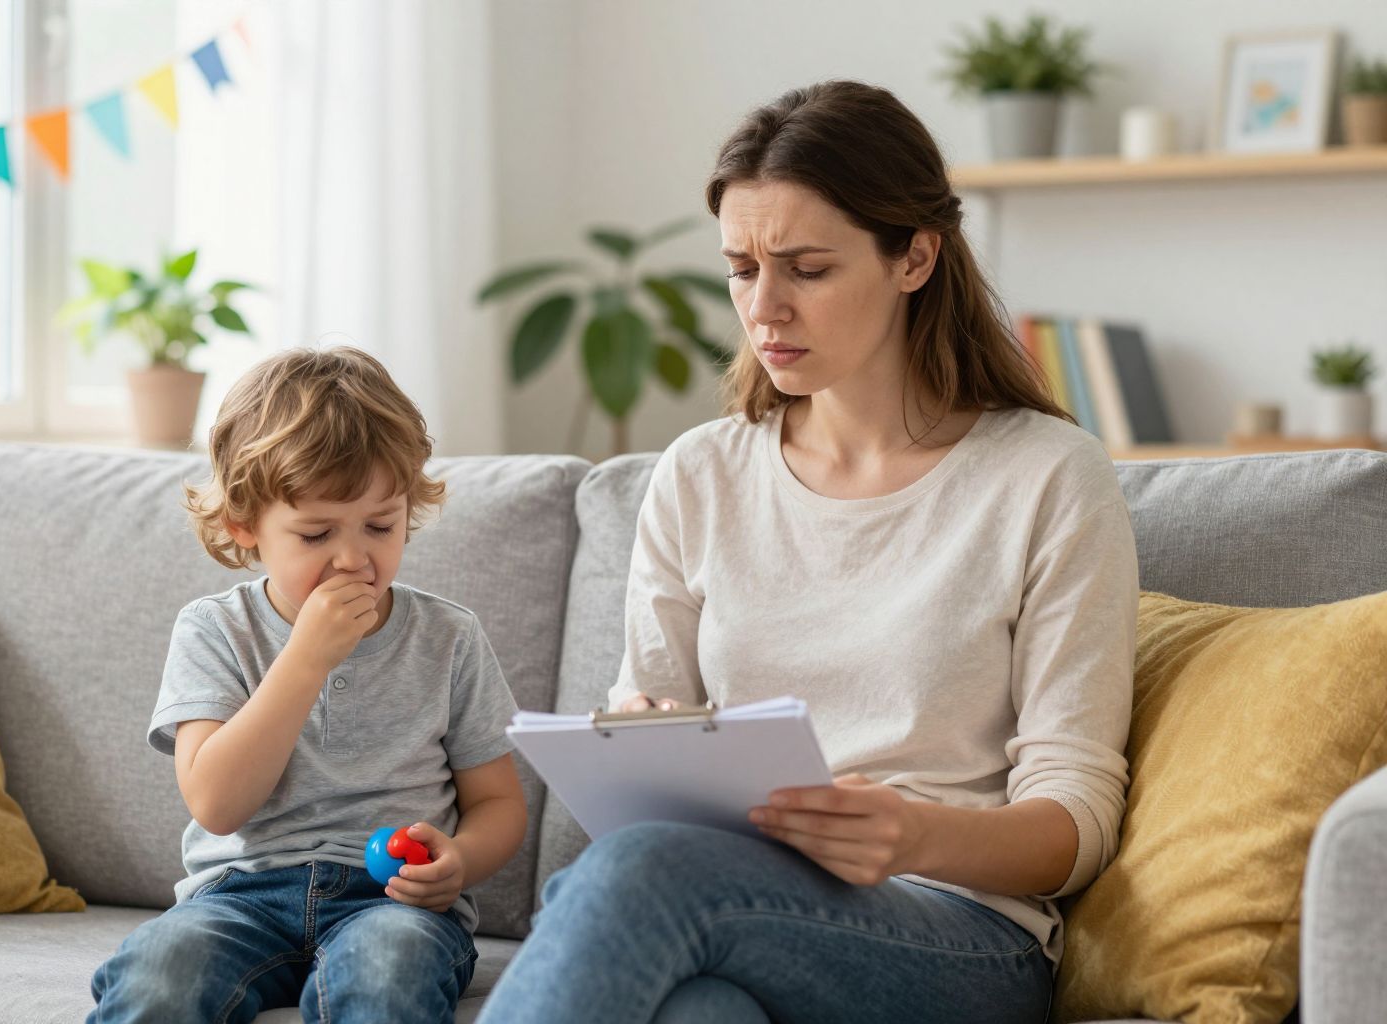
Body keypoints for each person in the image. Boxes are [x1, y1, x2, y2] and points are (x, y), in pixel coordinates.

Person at [481, 80, 1138, 1024]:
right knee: (698, 1012)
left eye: (807, 269)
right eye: (742, 269)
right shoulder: (700, 474)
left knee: (640, 877)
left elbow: (1076, 826)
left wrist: (912, 835)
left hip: (959, 933)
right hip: (732, 903)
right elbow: (640, 726)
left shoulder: (1047, 478)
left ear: (915, 257)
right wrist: (641, 731)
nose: (764, 309)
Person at [88, 346, 527, 1024]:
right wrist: (304, 660)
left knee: (388, 977)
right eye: (316, 533)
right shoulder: (214, 631)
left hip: (392, 903)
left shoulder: (449, 637)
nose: (355, 557)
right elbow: (217, 803)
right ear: (245, 527)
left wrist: (459, 862)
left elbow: (499, 802)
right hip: (240, 895)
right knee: (158, 977)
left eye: (382, 525)